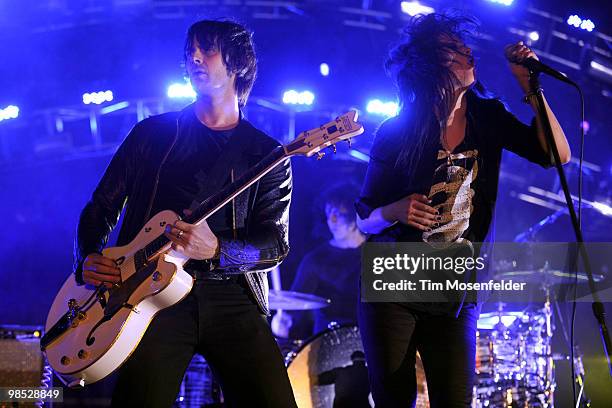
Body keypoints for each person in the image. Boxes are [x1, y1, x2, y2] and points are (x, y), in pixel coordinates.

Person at [73, 19, 296, 408]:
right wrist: (89, 255)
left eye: (207, 49)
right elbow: (100, 208)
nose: (194, 57)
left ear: (238, 62)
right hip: (148, 294)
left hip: (231, 294)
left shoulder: (267, 153)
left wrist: (217, 250)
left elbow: (275, 244)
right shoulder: (150, 135)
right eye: (190, 49)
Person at [355, 13, 570, 407]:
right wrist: (395, 210)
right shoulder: (397, 130)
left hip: (454, 285)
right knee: (393, 399)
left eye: (464, 45)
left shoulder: (486, 116)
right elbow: (363, 218)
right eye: (454, 48)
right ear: (430, 63)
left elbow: (557, 154)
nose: (468, 52)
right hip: (393, 285)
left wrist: (529, 87)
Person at [272, 183, 366, 337]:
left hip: (369, 337)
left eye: (339, 213)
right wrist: (282, 323)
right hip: (328, 341)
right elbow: (294, 304)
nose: (332, 220)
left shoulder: (378, 252)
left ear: (355, 214)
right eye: (329, 213)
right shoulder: (315, 260)